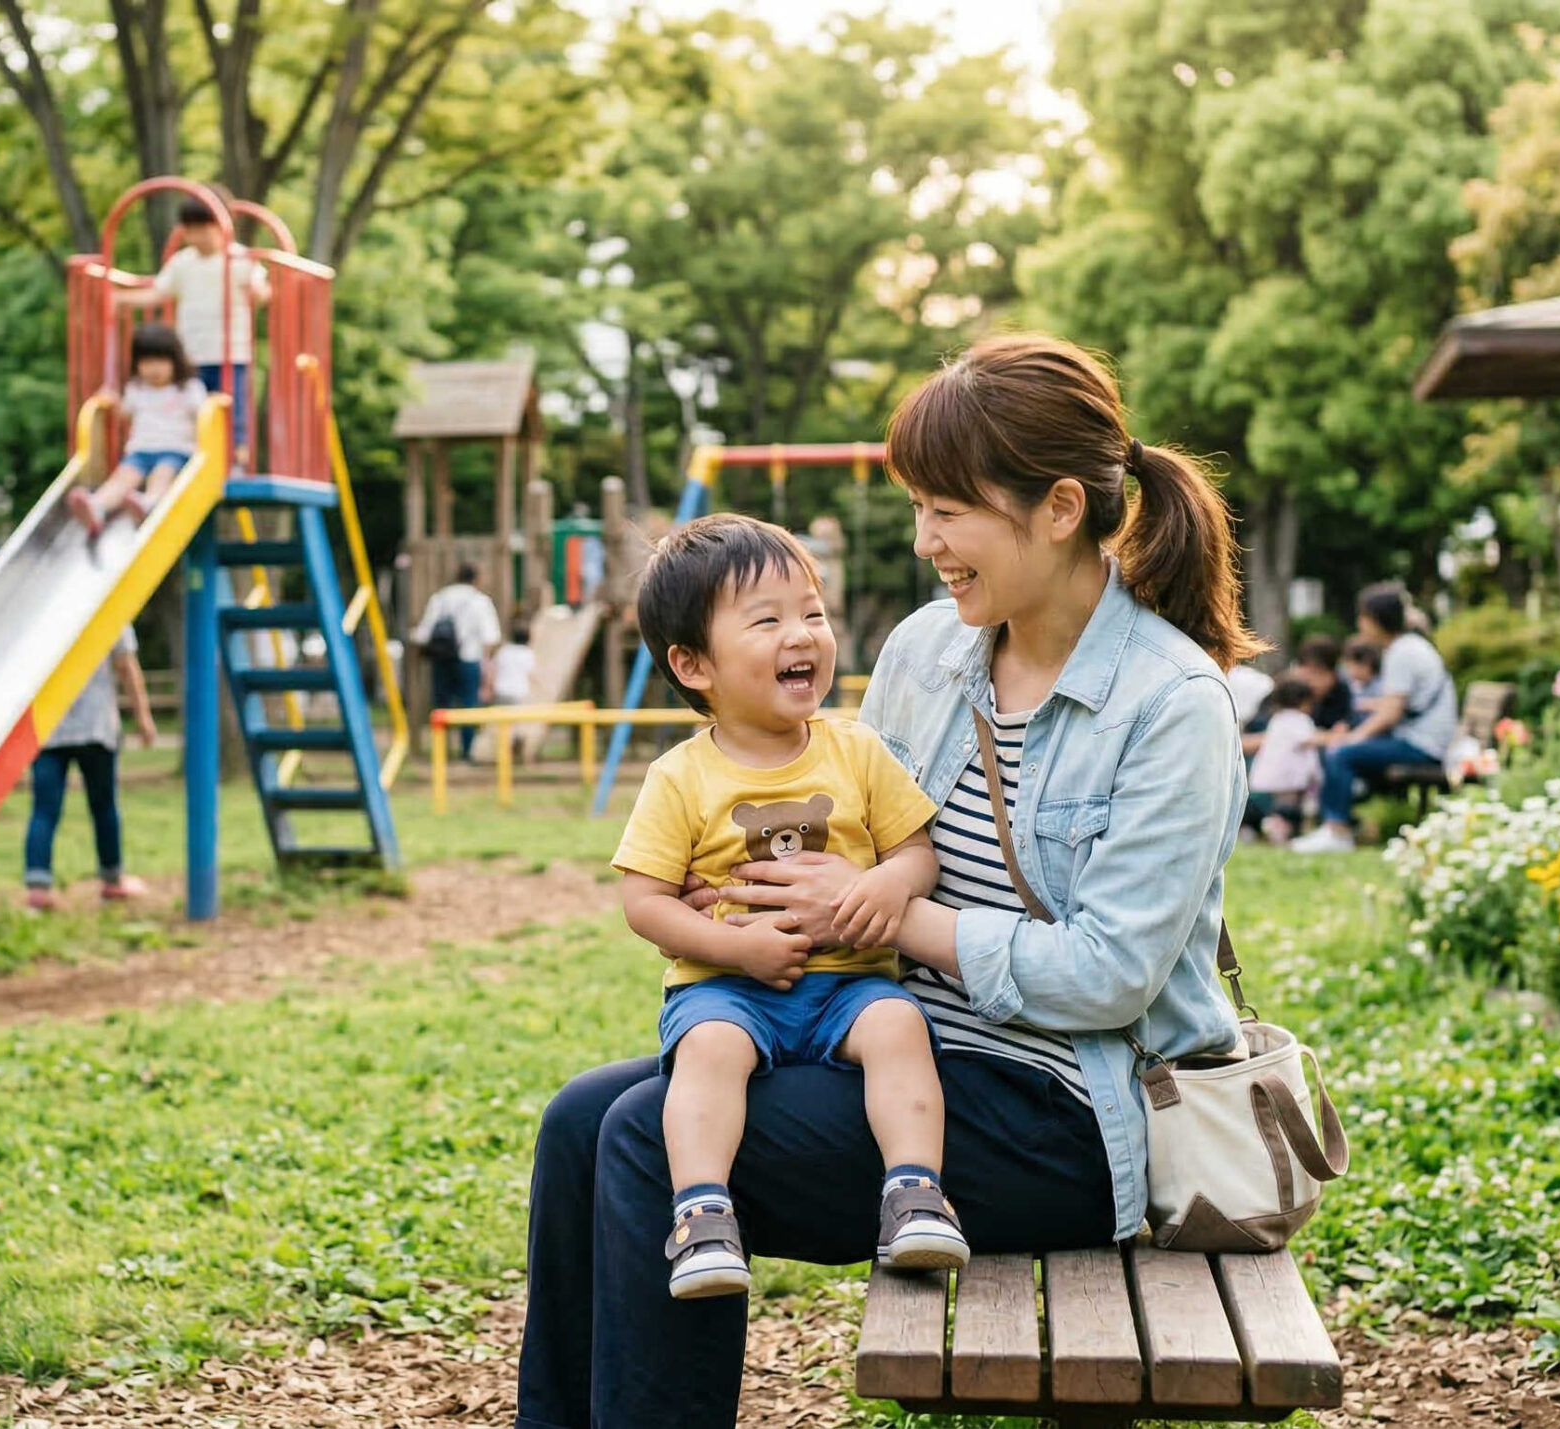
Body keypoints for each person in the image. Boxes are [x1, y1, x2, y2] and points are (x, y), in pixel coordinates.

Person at [517, 333, 1257, 1428]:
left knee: (638, 1137)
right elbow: (847, 815)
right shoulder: (929, 650)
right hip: (891, 1044)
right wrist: (745, 901)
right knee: (580, 1121)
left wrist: (890, 916)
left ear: (1059, 508)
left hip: (1063, 1111)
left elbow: (1108, 975)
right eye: (918, 508)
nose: (925, 542)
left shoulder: (1169, 704)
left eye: (947, 510)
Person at [613, 514, 957, 1300]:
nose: (802, 634)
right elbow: (645, 902)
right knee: (708, 1052)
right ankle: (703, 1214)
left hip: (849, 985)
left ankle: (915, 1194)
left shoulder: (857, 751)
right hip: (727, 991)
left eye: (813, 612)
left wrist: (888, 886)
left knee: (901, 1027)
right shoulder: (680, 777)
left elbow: (916, 852)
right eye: (767, 620)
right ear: (693, 663)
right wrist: (734, 949)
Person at [1293, 584, 1456, 854]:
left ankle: (1337, 831)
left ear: (1376, 620)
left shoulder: (1402, 653)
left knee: (1341, 753)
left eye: (1363, 616)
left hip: (1421, 746)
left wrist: (1353, 739)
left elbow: (1391, 714)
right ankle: (1336, 824)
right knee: (1344, 747)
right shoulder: (1408, 647)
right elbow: (1397, 704)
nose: (1360, 623)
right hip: (1423, 740)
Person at [119, 196, 268, 450]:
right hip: (191, 353)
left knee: (232, 413)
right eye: (191, 230)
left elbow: (262, 291)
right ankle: (198, 456)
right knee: (192, 412)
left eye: (203, 229)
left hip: (230, 353)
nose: (197, 237)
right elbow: (158, 293)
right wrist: (120, 299)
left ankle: (236, 458)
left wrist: (258, 292)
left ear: (223, 226)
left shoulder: (240, 258)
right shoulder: (182, 262)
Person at [24, 631, 157, 910]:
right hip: (96, 725)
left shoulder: (40, 616)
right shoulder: (107, 610)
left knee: (44, 809)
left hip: (49, 726)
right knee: (104, 805)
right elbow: (126, 666)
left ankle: (38, 887)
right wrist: (143, 717)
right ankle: (112, 879)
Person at [68, 323, 205, 537]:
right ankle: (97, 506)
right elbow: (124, 412)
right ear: (137, 364)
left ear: (175, 361)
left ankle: (149, 503)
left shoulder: (188, 389)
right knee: (123, 478)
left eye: (161, 361)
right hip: (141, 451)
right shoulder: (137, 388)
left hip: (176, 451)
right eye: (147, 362)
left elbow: (203, 415)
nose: (154, 369)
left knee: (162, 474)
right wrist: (112, 401)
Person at [412, 562, 503, 760]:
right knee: (468, 706)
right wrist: (487, 665)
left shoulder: (440, 598)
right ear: (476, 578)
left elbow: (423, 633)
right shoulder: (480, 601)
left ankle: (440, 751)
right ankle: (467, 750)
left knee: (441, 706)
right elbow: (490, 637)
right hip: (469, 658)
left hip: (442, 658)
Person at [1244, 676, 1324, 844]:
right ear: (1304, 702)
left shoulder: (1277, 719)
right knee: (1288, 807)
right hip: (1289, 775)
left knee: (1278, 806)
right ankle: (1279, 830)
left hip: (1274, 772)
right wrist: (1334, 737)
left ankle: (1277, 827)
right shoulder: (1299, 719)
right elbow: (1307, 739)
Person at [491, 624, 539, 706]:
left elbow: (493, 668)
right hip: (517, 691)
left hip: (500, 690)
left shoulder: (504, 650)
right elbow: (531, 673)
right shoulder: (527, 653)